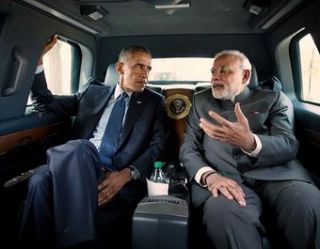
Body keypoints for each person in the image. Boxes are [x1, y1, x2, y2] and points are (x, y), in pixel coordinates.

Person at [18, 35, 169, 249]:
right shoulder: (92, 92)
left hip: (113, 171)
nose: (145, 74)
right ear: (120, 67)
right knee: (44, 175)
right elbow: (46, 104)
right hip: (79, 163)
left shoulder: (154, 101)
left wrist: (127, 174)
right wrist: (38, 61)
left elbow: (159, 146)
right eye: (138, 66)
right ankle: (75, 239)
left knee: (52, 169)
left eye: (148, 68)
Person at [180, 49, 320, 249]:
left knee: (308, 202)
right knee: (223, 213)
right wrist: (210, 177)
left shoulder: (273, 99)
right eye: (213, 71)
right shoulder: (200, 101)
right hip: (223, 176)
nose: (215, 76)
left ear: (245, 75)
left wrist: (250, 143)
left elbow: (288, 145)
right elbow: (188, 148)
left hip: (278, 175)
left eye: (224, 70)